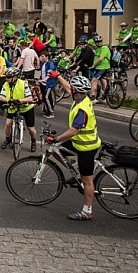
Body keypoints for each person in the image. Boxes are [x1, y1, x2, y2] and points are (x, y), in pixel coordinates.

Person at [46, 74, 101, 221]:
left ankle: (87, 211)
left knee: (87, 180)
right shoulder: (81, 98)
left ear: (76, 90)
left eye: (72, 87)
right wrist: (58, 76)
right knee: (57, 149)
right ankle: (75, 169)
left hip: (86, 147)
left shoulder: (82, 109)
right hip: (80, 142)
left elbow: (73, 130)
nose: (70, 88)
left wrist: (56, 138)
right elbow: (67, 87)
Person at [0, 67, 38, 152]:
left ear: (15, 77)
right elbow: (1, 97)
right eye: (6, 77)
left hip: (26, 108)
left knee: (31, 128)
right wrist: (9, 100)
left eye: (8, 77)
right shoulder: (6, 84)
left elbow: (30, 98)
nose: (6, 79)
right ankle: (7, 139)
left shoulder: (23, 84)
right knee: (8, 123)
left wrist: (20, 100)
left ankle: (33, 141)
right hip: (13, 107)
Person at [89, 35, 111, 102]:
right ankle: (105, 98)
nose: (99, 43)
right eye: (97, 42)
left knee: (94, 81)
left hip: (103, 67)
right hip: (98, 68)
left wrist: (93, 65)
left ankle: (93, 98)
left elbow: (100, 59)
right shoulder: (97, 49)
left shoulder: (104, 48)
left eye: (100, 41)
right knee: (102, 81)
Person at [38, 50, 57, 118]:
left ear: (47, 57)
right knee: (45, 97)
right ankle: (47, 110)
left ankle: (51, 112)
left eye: (43, 56)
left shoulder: (50, 63)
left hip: (49, 83)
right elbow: (42, 72)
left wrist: (44, 80)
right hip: (43, 83)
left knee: (47, 97)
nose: (41, 57)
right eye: (41, 56)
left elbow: (50, 73)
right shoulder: (43, 64)